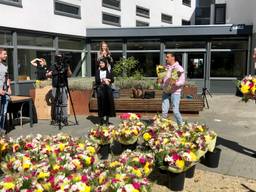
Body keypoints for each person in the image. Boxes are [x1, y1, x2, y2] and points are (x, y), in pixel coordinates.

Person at [47, 54, 72, 126]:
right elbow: (47, 75)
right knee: (55, 103)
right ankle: (56, 118)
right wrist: (50, 74)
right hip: (55, 86)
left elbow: (70, 75)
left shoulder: (65, 65)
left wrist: (68, 67)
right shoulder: (53, 66)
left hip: (63, 86)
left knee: (64, 103)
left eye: (61, 58)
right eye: (58, 58)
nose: (60, 59)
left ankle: (65, 119)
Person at [161, 52, 185, 126]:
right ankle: (163, 126)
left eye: (167, 57)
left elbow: (182, 81)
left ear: (173, 58)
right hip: (166, 91)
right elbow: (163, 79)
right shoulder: (166, 67)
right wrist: (160, 80)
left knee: (175, 111)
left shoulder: (179, 68)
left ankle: (181, 125)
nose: (166, 58)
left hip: (175, 92)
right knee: (164, 111)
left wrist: (176, 83)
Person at [95, 58, 115, 125]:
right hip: (100, 89)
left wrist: (107, 80)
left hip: (107, 89)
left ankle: (107, 120)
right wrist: (103, 80)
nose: (101, 64)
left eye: (102, 63)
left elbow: (112, 80)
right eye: (100, 63)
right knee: (100, 104)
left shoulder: (108, 70)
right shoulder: (98, 71)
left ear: (105, 64)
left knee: (107, 104)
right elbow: (97, 80)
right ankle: (101, 120)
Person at [0, 48, 11, 135]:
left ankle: (2, 131)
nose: (6, 55)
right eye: (4, 54)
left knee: (4, 113)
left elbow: (7, 77)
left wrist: (9, 87)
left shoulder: (5, 65)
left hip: (5, 92)